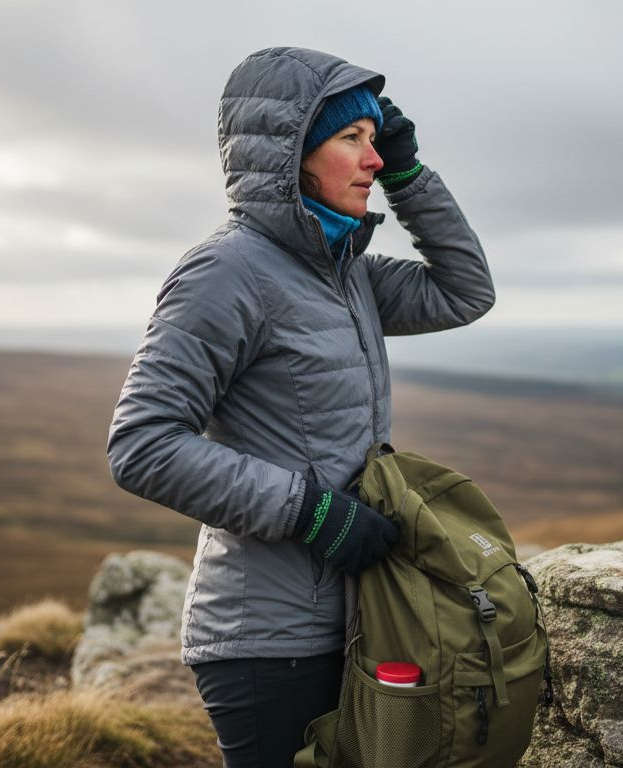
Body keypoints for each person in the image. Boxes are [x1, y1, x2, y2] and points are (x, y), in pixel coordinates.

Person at [107, 46, 494, 767]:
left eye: (376, 142)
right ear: (290, 156)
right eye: (353, 139)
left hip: (357, 620)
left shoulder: (346, 274)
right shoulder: (227, 271)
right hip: (267, 640)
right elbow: (143, 445)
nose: (373, 161)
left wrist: (412, 174)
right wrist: (313, 512)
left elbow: (464, 291)